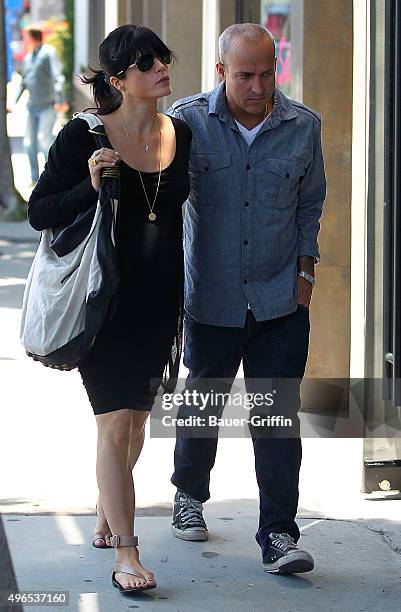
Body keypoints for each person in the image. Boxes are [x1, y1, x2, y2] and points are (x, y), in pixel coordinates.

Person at [27, 24, 192, 594]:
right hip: (103, 304)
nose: (162, 69)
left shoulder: (182, 134)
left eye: (163, 59)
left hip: (160, 304)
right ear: (119, 80)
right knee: (114, 425)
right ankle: (127, 554)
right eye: (147, 64)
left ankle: (107, 509)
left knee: (139, 423)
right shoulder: (84, 137)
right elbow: (41, 210)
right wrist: (90, 187)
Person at [167, 23, 326, 574]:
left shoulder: (303, 127)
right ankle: (189, 494)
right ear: (221, 72)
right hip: (211, 297)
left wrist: (305, 275)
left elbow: (311, 205)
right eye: (244, 75)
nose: (258, 87)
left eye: (266, 73)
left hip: (280, 300)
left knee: (277, 417)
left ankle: (279, 535)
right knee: (202, 403)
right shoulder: (187, 122)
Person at [10, 27, 66, 187]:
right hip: (32, 107)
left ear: (33, 37)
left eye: (25, 37)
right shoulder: (28, 57)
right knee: (29, 143)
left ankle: (52, 178)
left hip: (47, 105)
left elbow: (58, 77)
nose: (24, 40)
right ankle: (35, 178)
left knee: (44, 141)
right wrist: (13, 102)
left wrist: (60, 99)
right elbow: (24, 82)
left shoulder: (48, 53)